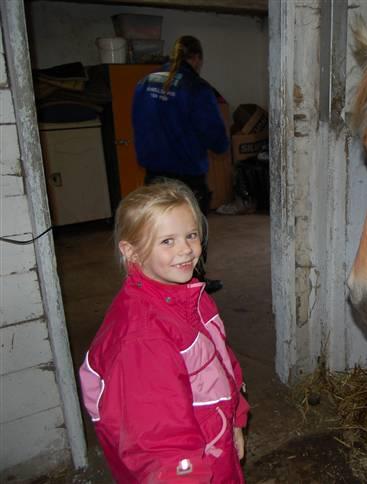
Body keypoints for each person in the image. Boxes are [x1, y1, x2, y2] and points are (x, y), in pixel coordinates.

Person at [78, 180, 249, 483]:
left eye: (191, 235)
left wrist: (235, 419)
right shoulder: (143, 338)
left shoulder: (192, 297)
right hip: (189, 469)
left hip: (213, 444)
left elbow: (222, 364)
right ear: (131, 252)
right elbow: (156, 440)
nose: (185, 249)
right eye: (167, 241)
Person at [132, 35, 227, 294]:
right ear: (195, 58)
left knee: (158, 233)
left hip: (153, 175)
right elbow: (217, 138)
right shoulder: (196, 88)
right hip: (187, 177)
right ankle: (193, 286)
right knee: (189, 235)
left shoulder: (144, 83)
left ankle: (157, 284)